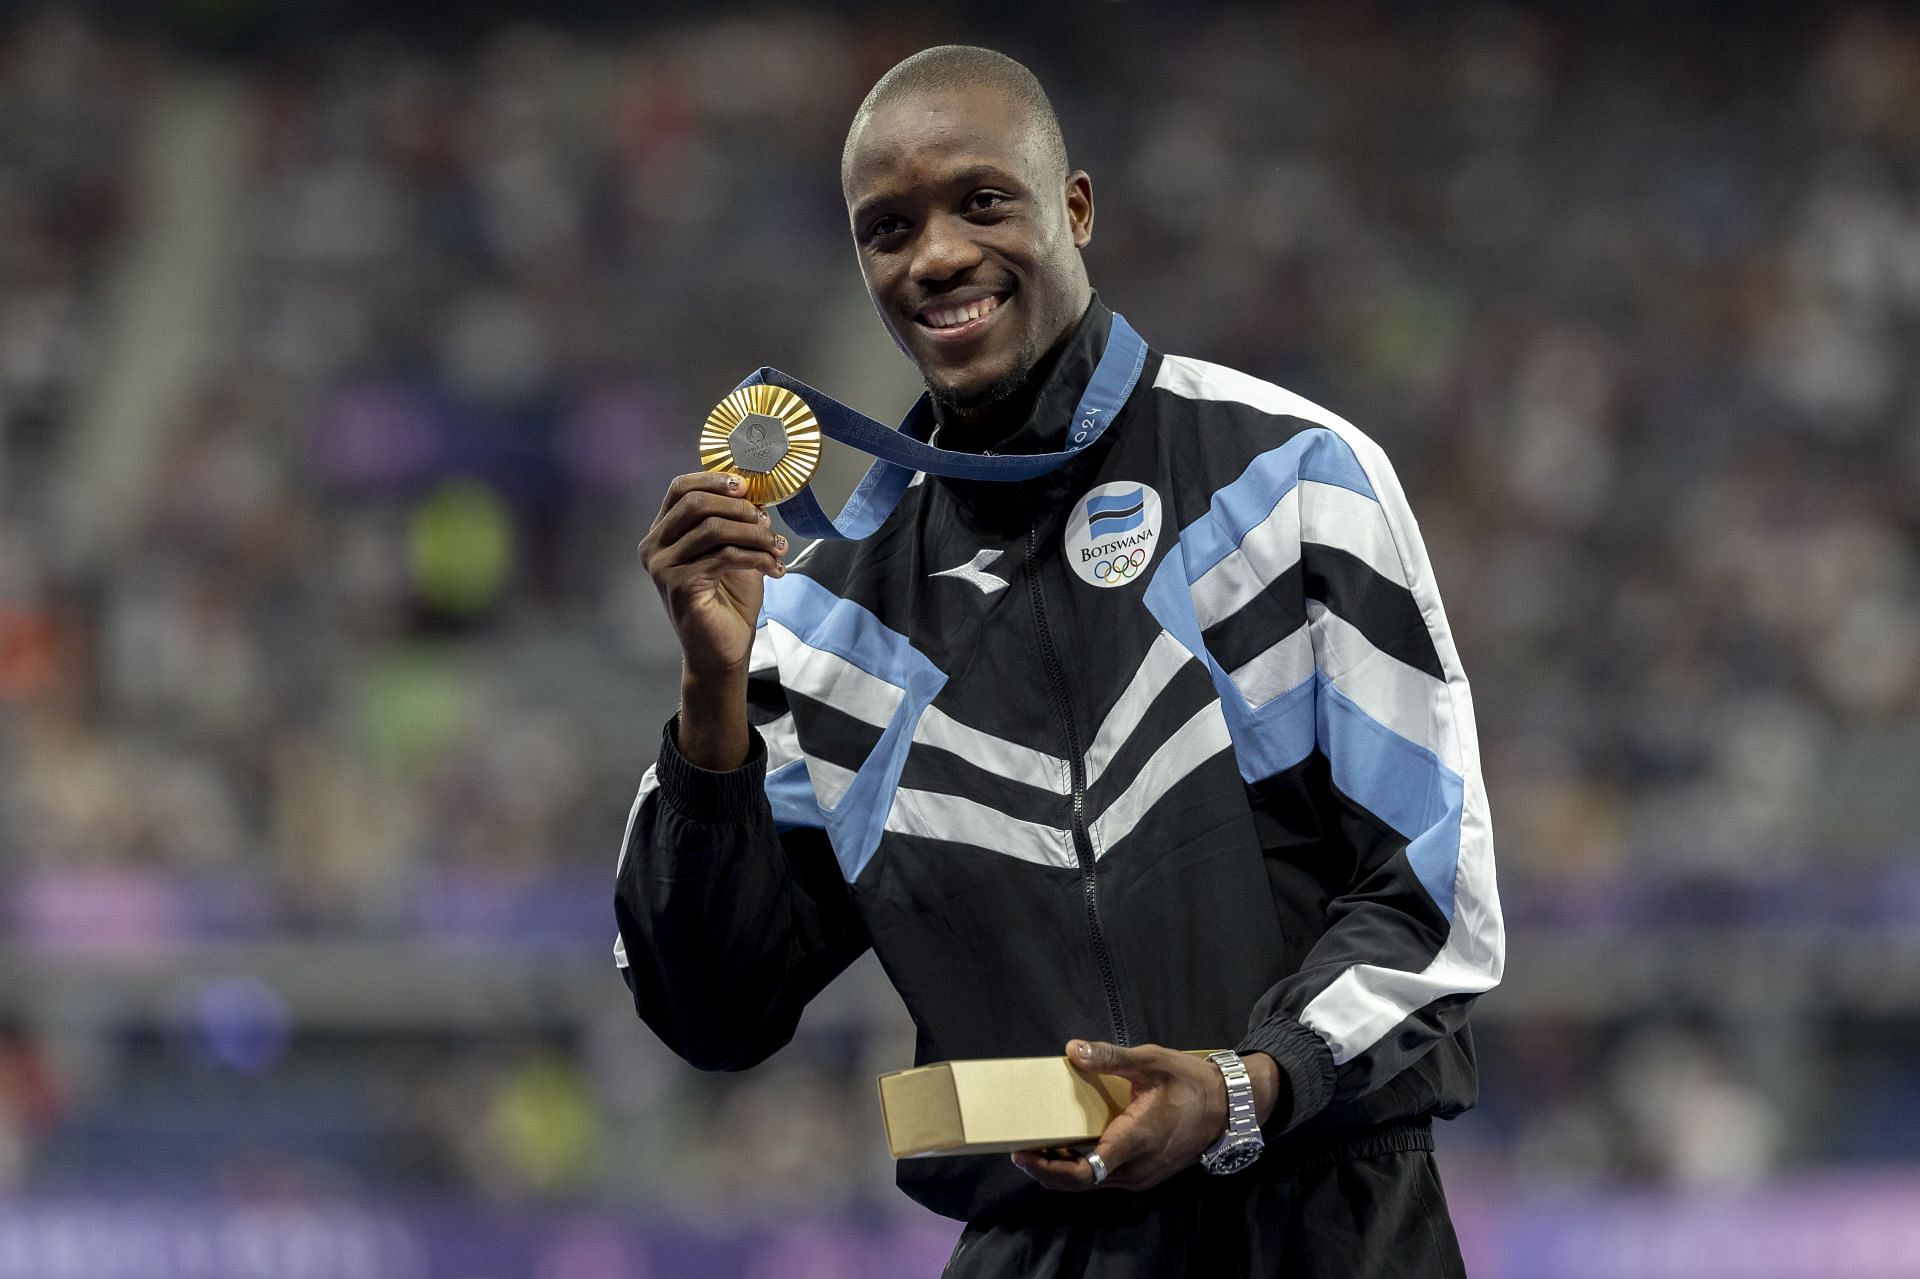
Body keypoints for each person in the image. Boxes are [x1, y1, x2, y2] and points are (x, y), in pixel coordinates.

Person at [617, 44, 1503, 1278]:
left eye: (982, 202)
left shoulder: (1290, 479)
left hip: (1330, 1229)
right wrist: (711, 700)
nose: (934, 256)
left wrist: (1243, 1091)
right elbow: (712, 1010)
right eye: (887, 229)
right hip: (1040, 1248)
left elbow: (1432, 897)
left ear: (1073, 206)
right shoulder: (825, 620)